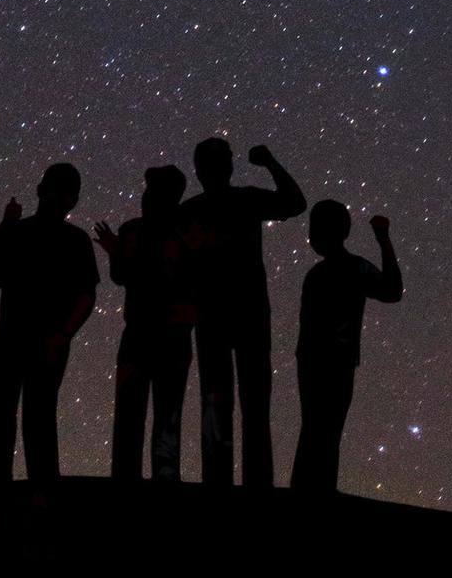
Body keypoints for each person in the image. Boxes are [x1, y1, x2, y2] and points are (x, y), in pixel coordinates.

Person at [175, 136, 305, 489]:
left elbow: (178, 269)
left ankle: (218, 482)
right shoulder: (244, 200)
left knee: (218, 402)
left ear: (199, 170)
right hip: (246, 313)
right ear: (228, 167)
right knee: (254, 405)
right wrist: (271, 162)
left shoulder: (188, 212)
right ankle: (256, 484)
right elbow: (295, 202)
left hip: (214, 315)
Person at [0, 163, 99, 488]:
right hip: (45, 341)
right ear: (72, 200)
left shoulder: (18, 232)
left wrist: (5, 226)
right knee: (38, 418)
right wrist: (64, 335)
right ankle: (40, 495)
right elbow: (88, 296)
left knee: (4, 419)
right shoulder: (75, 240)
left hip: (18, 338)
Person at [290, 202, 400, 495]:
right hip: (336, 361)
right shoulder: (355, 268)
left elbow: (392, 291)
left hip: (315, 361)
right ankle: (320, 489)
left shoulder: (318, 274)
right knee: (327, 429)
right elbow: (392, 289)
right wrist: (383, 239)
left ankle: (307, 489)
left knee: (314, 428)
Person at [95, 164, 194, 482]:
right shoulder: (182, 233)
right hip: (160, 334)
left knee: (139, 414)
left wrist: (115, 252)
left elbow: (123, 275)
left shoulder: (139, 231)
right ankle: (157, 481)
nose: (147, 197)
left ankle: (131, 482)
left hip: (148, 333)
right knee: (158, 415)